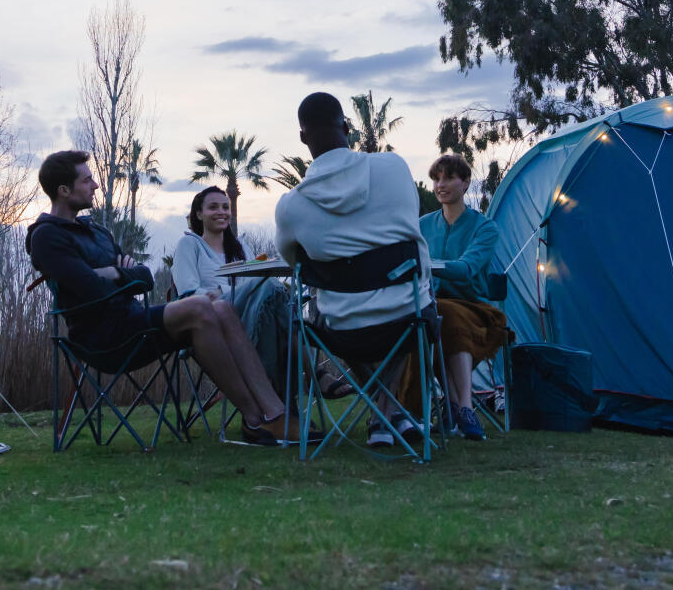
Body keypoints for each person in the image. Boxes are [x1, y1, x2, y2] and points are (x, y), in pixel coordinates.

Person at [26, 150, 305, 446]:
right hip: (102, 337)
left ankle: (273, 413)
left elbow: (145, 278)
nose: (95, 185)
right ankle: (255, 417)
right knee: (201, 305)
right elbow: (90, 289)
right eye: (88, 180)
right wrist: (117, 275)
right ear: (64, 190)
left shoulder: (96, 232)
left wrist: (112, 273)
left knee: (220, 308)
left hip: (132, 321)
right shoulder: (47, 237)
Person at [275, 92, 434, 448]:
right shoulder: (393, 168)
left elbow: (295, 264)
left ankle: (385, 413)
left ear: (302, 138)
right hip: (408, 317)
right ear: (347, 127)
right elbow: (409, 225)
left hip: (342, 327)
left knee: (333, 310)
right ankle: (388, 412)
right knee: (407, 305)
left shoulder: (291, 206)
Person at [174, 186, 344, 401]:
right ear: (198, 214)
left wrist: (221, 290)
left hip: (252, 313)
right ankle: (312, 376)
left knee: (273, 300)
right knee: (273, 290)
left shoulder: (240, 247)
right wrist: (226, 292)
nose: (222, 212)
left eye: (226, 207)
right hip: (213, 318)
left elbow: (257, 283)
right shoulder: (189, 244)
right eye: (213, 207)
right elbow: (189, 292)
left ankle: (281, 404)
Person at [417, 154, 510, 441]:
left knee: (448, 318)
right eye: (436, 178)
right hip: (429, 303)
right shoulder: (422, 225)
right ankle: (455, 408)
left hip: (474, 307)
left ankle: (462, 407)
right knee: (418, 320)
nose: (440, 185)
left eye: (448, 178)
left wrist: (429, 266)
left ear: (466, 183)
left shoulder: (484, 228)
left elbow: (468, 268)